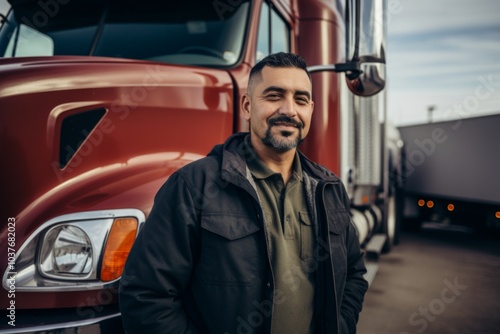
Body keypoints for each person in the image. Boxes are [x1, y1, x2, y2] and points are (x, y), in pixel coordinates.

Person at [119, 52, 368, 334]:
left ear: (310, 108)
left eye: (300, 99)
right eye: (274, 96)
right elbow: (147, 295)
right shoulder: (193, 186)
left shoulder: (329, 189)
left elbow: (354, 275)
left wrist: (341, 326)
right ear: (247, 106)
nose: (289, 110)